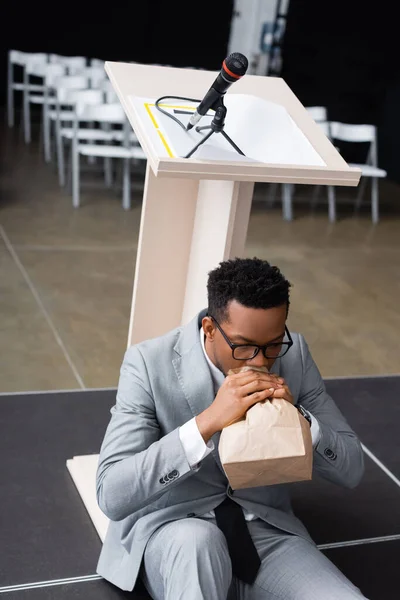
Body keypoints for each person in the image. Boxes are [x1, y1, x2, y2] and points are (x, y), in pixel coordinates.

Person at [96, 257, 367, 599]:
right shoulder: (148, 364)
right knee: (198, 543)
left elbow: (352, 470)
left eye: (271, 345)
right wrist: (208, 421)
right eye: (243, 347)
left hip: (267, 535)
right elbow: (112, 494)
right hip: (177, 530)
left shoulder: (294, 355)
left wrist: (300, 419)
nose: (260, 361)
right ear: (210, 328)